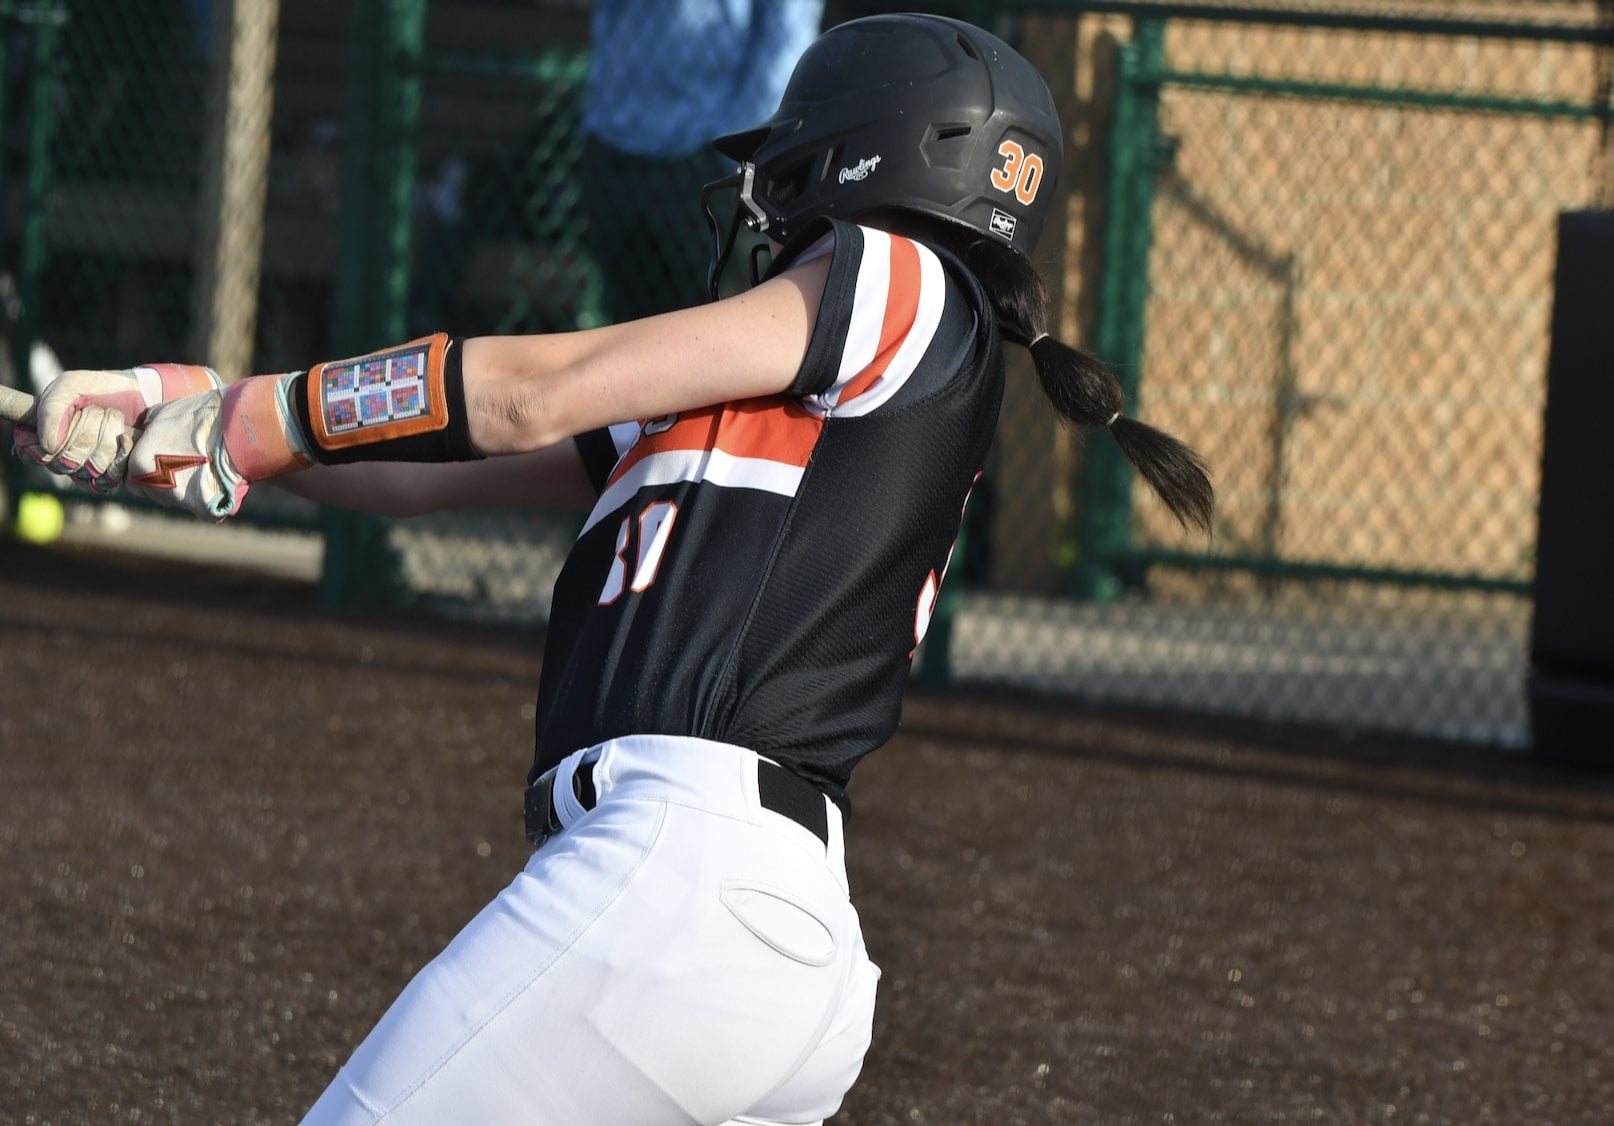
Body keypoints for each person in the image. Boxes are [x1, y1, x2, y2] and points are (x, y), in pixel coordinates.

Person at [15, 14, 1213, 1124]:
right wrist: (199, 410)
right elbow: (425, 472)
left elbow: (530, 392)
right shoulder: (794, 383)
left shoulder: (905, 280)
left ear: (864, 159)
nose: (765, 198)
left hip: (679, 886)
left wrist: (263, 416)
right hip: (761, 934)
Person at [581, 0, 823, 318]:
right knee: (625, 326)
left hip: (712, 164)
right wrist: (600, 119)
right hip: (615, 148)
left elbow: (787, 36)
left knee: (723, 323)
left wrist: (741, 152)